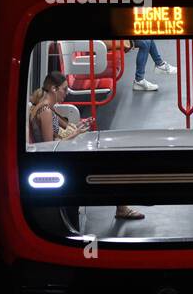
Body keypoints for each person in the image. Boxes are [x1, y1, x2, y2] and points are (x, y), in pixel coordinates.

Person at [28, 72, 143, 220]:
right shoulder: (45, 112)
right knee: (110, 165)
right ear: (53, 89)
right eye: (64, 89)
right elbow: (50, 146)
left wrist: (79, 126)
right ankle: (121, 207)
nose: (66, 93)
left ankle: (121, 206)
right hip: (59, 160)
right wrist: (76, 134)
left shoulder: (47, 109)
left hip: (64, 153)